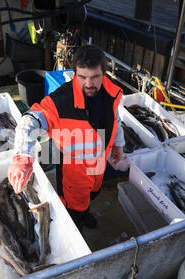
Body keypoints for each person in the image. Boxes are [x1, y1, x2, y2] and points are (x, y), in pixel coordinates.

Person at [7, 44, 125, 230]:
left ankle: (84, 213)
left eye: (95, 77)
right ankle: (77, 222)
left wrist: (118, 143)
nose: (89, 84)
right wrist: (22, 158)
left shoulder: (110, 90)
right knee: (74, 206)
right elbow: (29, 121)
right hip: (73, 172)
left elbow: (115, 116)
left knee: (92, 193)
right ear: (75, 73)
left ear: (104, 73)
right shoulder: (61, 101)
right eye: (82, 77)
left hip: (99, 163)